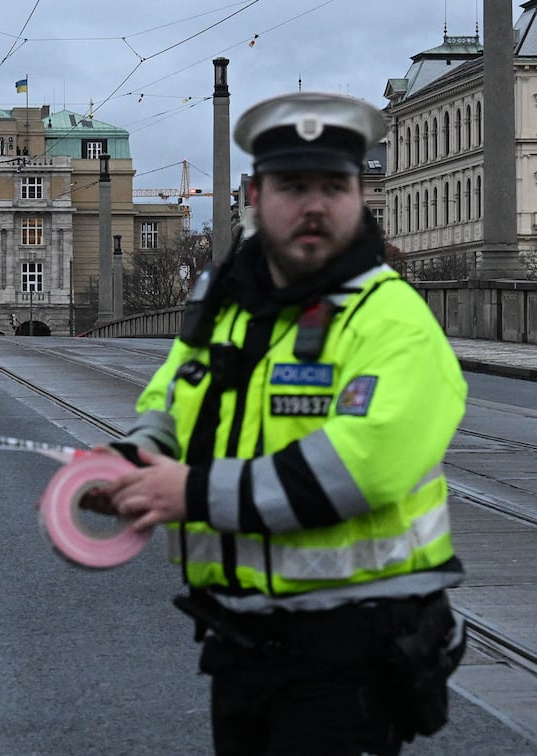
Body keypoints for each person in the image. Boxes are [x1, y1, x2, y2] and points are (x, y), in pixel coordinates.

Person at [86, 91, 467, 756]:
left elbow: (362, 464)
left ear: (358, 197)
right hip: (240, 643)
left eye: (334, 186)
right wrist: (131, 461)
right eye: (294, 186)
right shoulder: (229, 308)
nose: (315, 205)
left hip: (353, 647)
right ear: (256, 197)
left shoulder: (391, 318)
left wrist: (191, 493)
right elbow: (171, 403)